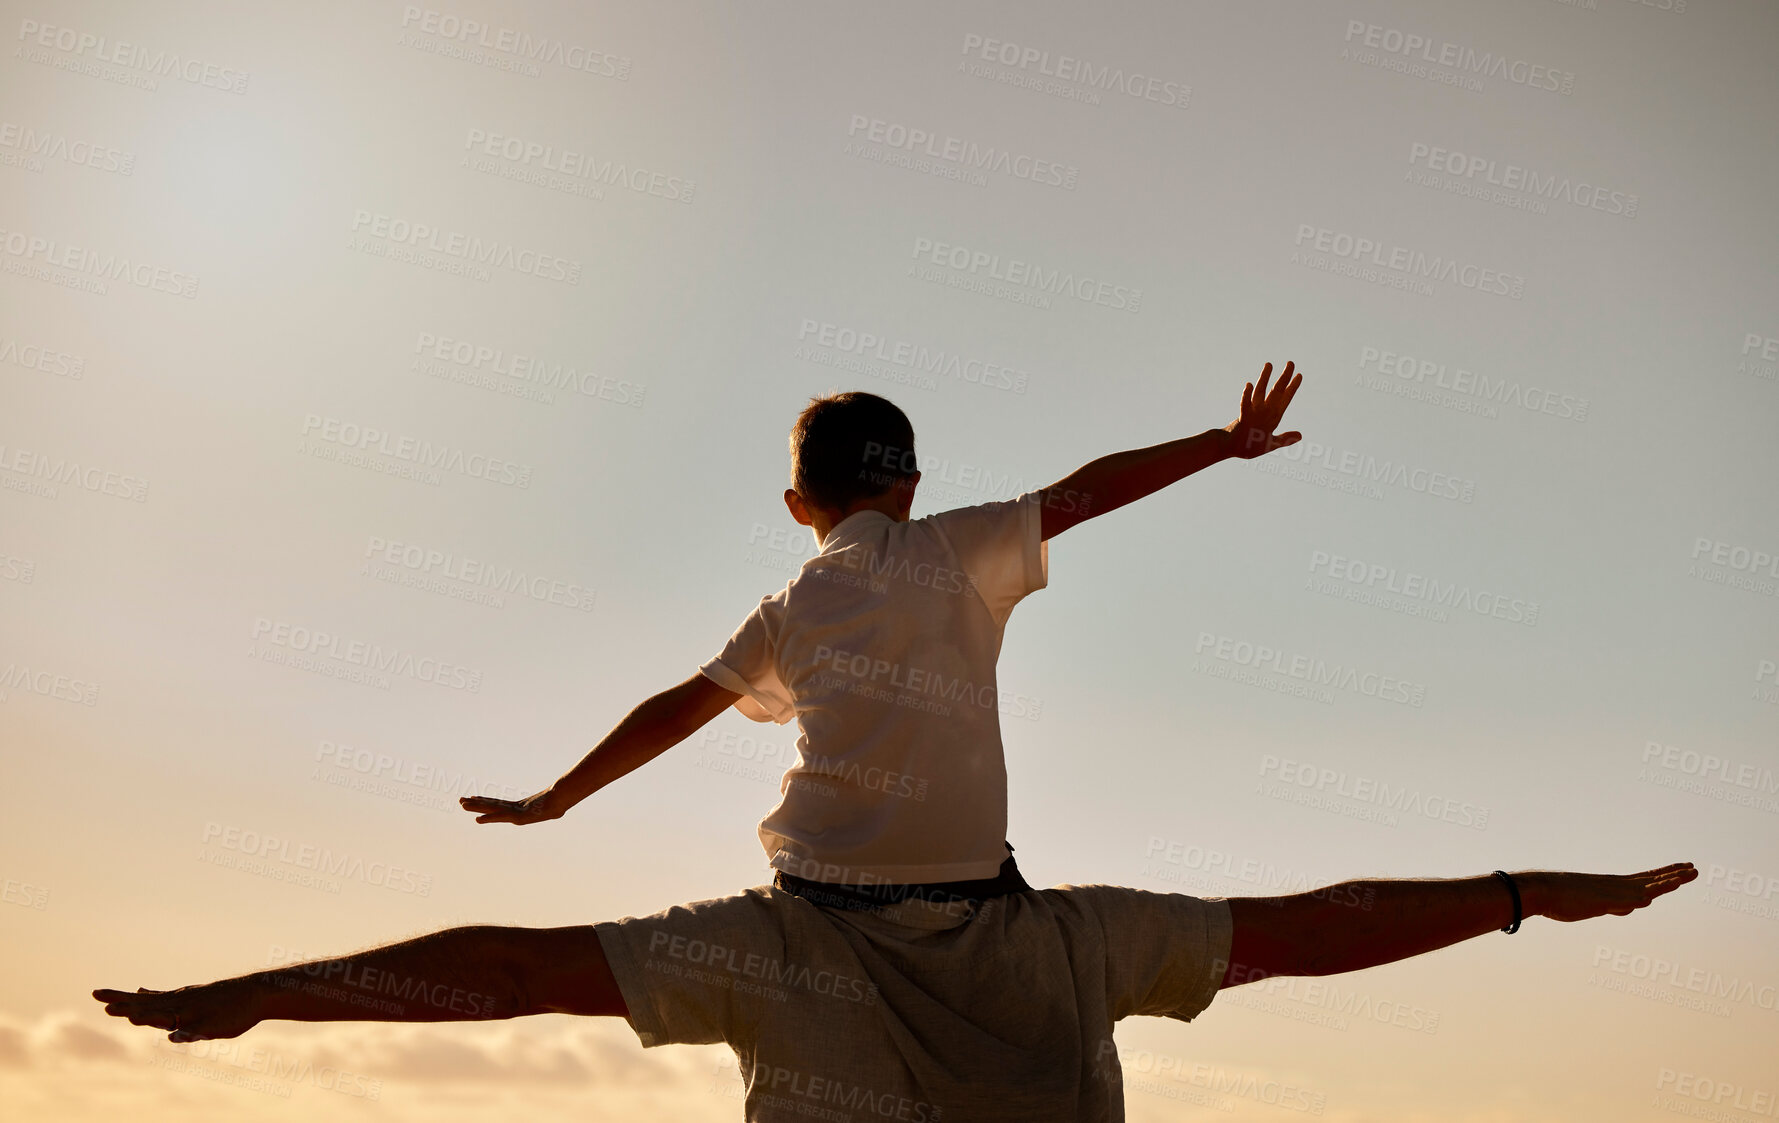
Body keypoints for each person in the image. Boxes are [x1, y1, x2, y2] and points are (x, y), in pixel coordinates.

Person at [94, 363, 1698, 1117]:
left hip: (811, 949)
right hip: (1005, 938)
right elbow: (1314, 929)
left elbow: (523, 938)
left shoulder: (791, 610)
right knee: (1262, 941)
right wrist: (1527, 894)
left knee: (546, 962)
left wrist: (549, 804)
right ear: (912, 488)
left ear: (801, 503)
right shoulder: (958, 552)